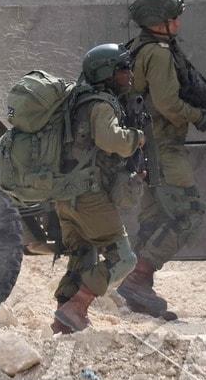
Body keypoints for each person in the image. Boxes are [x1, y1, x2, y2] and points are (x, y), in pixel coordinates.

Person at [117, 0, 206, 320]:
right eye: (173, 16)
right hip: (163, 147)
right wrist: (201, 117)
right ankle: (138, 279)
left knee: (152, 219)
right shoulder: (159, 53)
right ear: (159, 22)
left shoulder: (142, 48)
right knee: (189, 213)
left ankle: (134, 291)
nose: (178, 21)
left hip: (147, 146)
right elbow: (167, 104)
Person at [51, 44, 145, 334]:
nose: (129, 74)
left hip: (65, 196)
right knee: (124, 259)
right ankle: (77, 306)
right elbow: (109, 140)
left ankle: (63, 319)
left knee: (83, 255)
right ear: (107, 73)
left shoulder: (77, 101)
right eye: (122, 69)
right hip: (89, 195)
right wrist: (136, 138)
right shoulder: (101, 104)